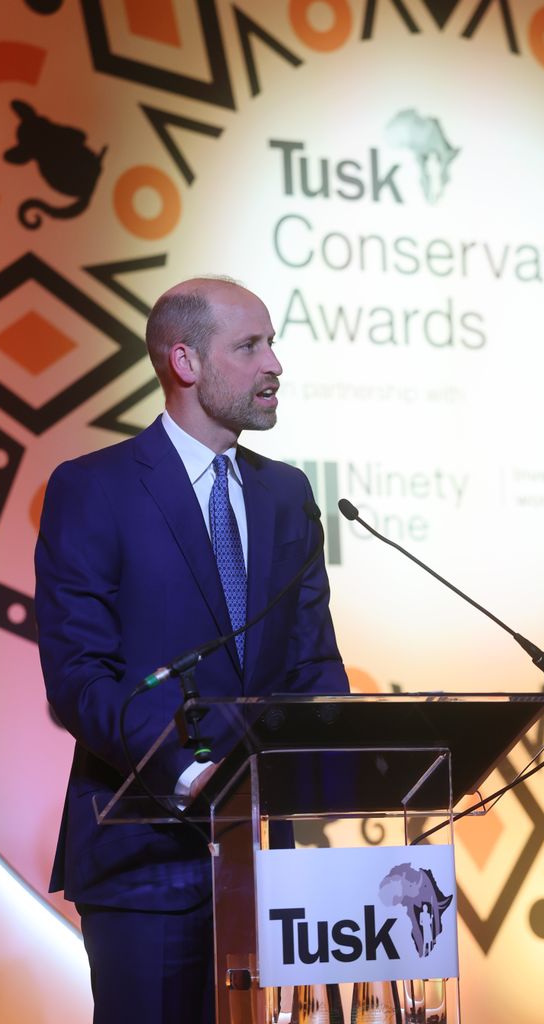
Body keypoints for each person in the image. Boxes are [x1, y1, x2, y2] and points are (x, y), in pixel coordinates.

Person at [34, 277, 349, 1023]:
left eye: (272, 343)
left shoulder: (287, 495)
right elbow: (80, 677)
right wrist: (192, 771)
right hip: (142, 862)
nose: (274, 364)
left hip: (266, 867)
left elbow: (312, 663)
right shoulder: (93, 488)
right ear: (185, 361)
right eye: (250, 346)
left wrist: (349, 762)